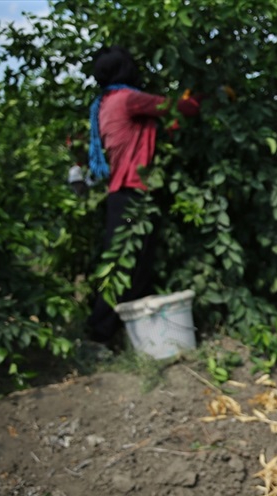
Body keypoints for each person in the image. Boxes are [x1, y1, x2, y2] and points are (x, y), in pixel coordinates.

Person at [85, 45, 200, 344]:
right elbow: (176, 108)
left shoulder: (107, 101)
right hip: (131, 192)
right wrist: (203, 95)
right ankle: (99, 335)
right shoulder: (128, 99)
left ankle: (126, 331)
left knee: (135, 263)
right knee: (127, 264)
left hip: (120, 193)